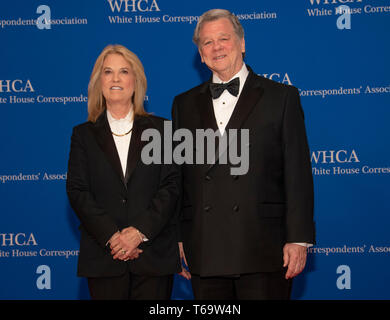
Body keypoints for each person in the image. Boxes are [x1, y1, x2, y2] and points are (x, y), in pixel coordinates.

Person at [172, 9, 315, 300]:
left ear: (242, 43)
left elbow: (297, 172)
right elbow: (179, 177)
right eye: (207, 43)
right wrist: (176, 236)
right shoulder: (183, 104)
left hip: (263, 246)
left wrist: (298, 238)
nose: (216, 48)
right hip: (205, 247)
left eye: (223, 38)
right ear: (200, 54)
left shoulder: (282, 97)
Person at [66, 44, 181, 300]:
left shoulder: (162, 130)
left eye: (124, 71)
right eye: (108, 72)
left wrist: (138, 232)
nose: (116, 79)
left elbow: (171, 186)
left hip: (153, 256)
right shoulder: (83, 135)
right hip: (104, 257)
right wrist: (113, 237)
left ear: (136, 81)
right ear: (99, 81)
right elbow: (77, 191)